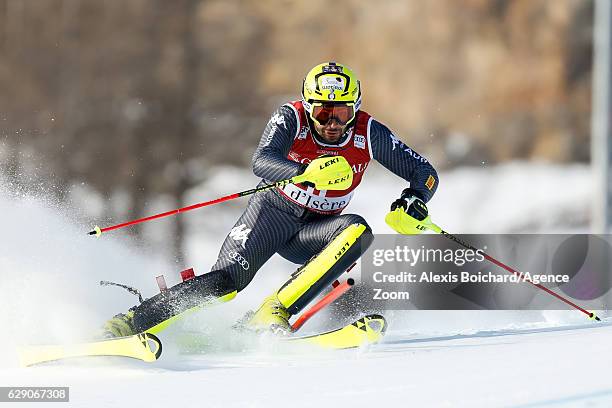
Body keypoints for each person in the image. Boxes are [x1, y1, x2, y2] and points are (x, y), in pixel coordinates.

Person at [103, 61, 439, 337]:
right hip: (272, 215)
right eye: (323, 113)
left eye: (342, 112)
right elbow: (261, 159)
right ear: (309, 107)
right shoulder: (290, 118)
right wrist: (303, 170)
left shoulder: (369, 133)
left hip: (316, 233)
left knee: (358, 231)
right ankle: (130, 322)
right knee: (226, 283)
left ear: (356, 109)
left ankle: (273, 310)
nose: (332, 122)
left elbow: (425, 172)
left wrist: (415, 198)